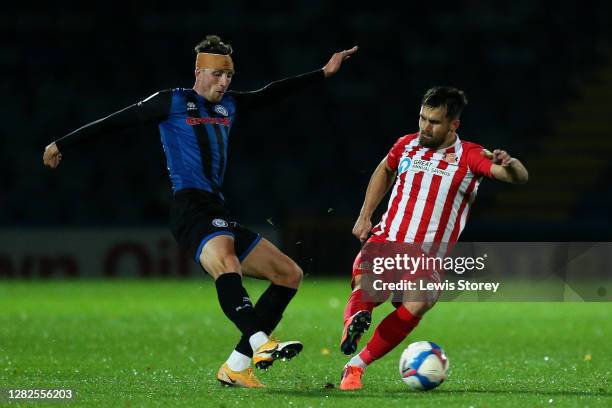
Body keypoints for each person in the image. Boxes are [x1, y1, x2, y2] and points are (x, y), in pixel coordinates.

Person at [43, 35, 358, 388]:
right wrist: (62, 143)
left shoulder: (231, 106)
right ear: (198, 71)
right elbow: (116, 121)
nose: (223, 83)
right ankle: (259, 342)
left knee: (289, 274)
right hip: (189, 206)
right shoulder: (172, 101)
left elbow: (270, 93)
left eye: (229, 77)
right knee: (227, 262)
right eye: (216, 75)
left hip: (215, 207)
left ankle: (236, 367)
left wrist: (323, 73)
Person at [338, 86, 528, 390]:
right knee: (368, 285)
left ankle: (355, 366)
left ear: (454, 124)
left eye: (434, 122)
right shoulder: (406, 145)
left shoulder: (471, 156)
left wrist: (512, 164)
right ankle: (355, 323)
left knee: (421, 299)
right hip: (387, 239)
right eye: (422, 119)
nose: (425, 127)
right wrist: (365, 215)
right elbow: (384, 170)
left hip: (427, 256)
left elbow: (516, 177)